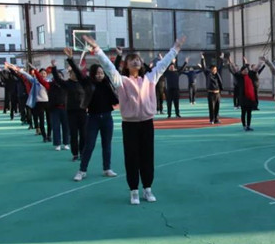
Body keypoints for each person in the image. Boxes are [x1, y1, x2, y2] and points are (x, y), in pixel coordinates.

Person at [84, 34, 185, 205]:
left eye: (138, 59)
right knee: (131, 157)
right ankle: (134, 191)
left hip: (147, 123)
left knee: (147, 157)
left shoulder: (150, 78)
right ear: (126, 65)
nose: (136, 62)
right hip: (129, 125)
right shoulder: (121, 81)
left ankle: (147, 188)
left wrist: (175, 49)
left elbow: (163, 64)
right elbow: (108, 67)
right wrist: (97, 49)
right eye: (132, 60)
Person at [70, 55, 119, 181]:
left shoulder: (108, 82)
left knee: (106, 144)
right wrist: (70, 59)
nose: (100, 75)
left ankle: (107, 168)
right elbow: (78, 73)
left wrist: (118, 56)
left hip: (107, 118)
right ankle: (82, 170)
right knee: (89, 145)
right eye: (97, 73)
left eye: (101, 73)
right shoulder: (88, 83)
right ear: (92, 74)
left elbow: (114, 69)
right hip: (93, 118)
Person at [36, 60, 70, 151]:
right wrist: (36, 71)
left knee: (66, 127)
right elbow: (41, 81)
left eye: (60, 76)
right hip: (54, 109)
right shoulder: (50, 85)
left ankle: (66, 143)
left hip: (65, 108)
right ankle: (57, 144)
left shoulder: (65, 85)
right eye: (57, 76)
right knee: (56, 127)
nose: (58, 77)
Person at [62, 48, 88, 161]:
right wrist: (53, 69)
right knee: (73, 134)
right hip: (71, 112)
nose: (76, 75)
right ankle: (75, 154)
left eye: (77, 73)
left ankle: (82, 152)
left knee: (83, 134)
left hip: (82, 112)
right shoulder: (67, 83)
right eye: (73, 73)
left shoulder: (83, 83)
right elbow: (58, 79)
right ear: (70, 74)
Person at [226, 57, 259, 131]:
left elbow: (254, 69)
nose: (246, 71)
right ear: (241, 71)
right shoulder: (239, 77)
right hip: (243, 98)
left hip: (250, 98)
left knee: (249, 113)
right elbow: (233, 70)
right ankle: (244, 125)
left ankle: (248, 125)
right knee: (243, 112)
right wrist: (230, 63)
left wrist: (247, 63)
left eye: (246, 70)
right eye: (244, 70)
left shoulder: (250, 76)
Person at [200, 52, 224, 124]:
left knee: (217, 107)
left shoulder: (217, 74)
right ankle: (212, 119)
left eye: (215, 69)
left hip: (217, 93)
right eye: (213, 69)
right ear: (211, 69)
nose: (215, 70)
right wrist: (202, 59)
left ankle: (216, 119)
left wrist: (221, 58)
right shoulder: (208, 74)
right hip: (211, 93)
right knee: (211, 107)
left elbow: (220, 67)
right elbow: (204, 67)